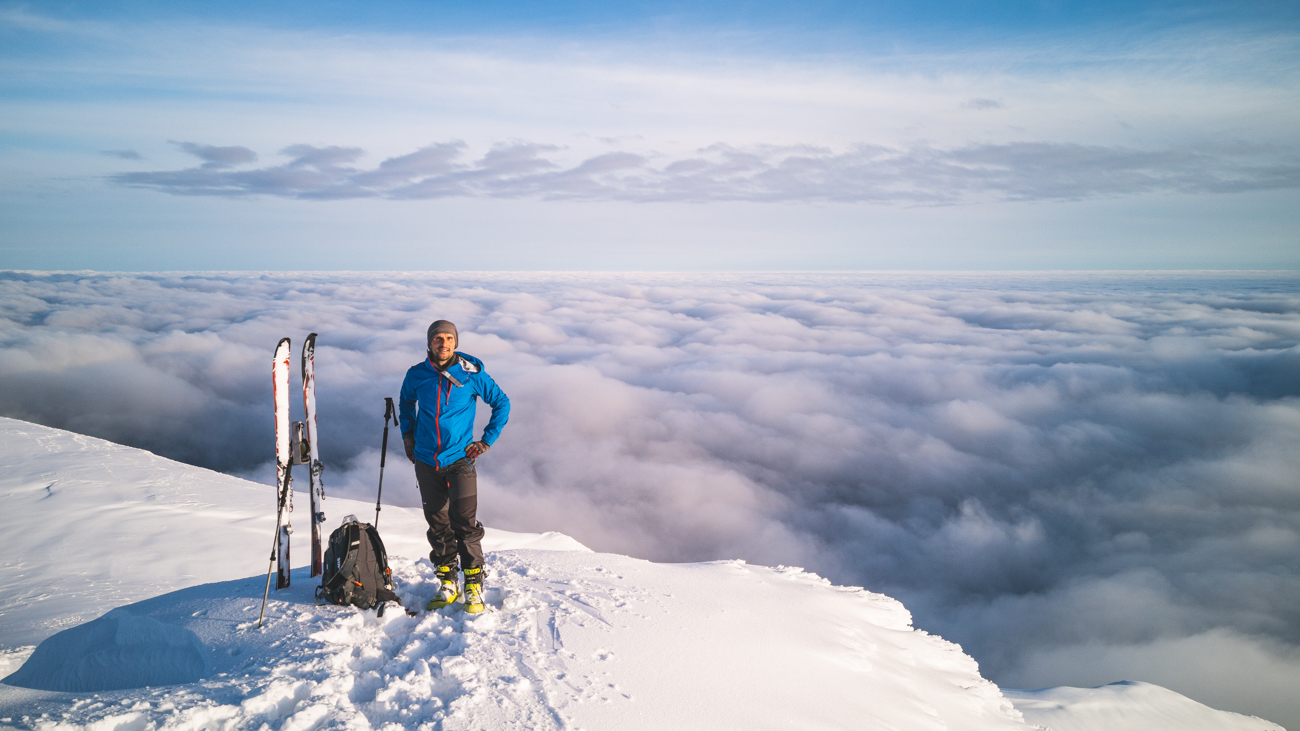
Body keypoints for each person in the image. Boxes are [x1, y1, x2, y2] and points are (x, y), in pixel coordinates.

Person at [400, 319, 510, 614]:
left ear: (456, 343)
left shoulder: (472, 374)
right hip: (425, 459)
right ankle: (448, 581)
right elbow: (406, 402)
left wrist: (486, 441)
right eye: (439, 338)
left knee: (465, 522)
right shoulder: (416, 375)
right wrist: (407, 436)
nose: (444, 343)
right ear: (430, 342)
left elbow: (502, 403)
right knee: (438, 524)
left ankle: (473, 584)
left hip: (461, 458)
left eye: (449, 338)